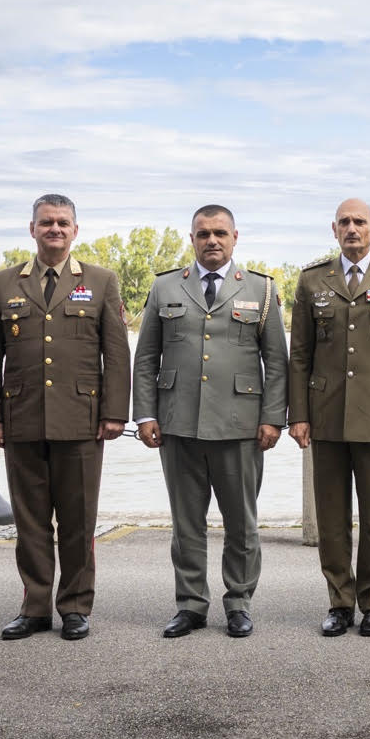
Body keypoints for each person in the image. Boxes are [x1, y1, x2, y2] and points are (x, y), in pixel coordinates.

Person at [0, 194, 130, 642]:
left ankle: (76, 607)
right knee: (31, 522)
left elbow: (116, 353)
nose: (55, 229)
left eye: (63, 222)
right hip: (21, 416)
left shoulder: (101, 281)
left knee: (79, 521)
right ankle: (35, 607)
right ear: (32, 229)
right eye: (46, 222)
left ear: (75, 231)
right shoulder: (3, 282)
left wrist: (114, 412)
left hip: (81, 419)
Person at [133, 205, 287, 638]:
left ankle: (238, 603)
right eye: (203, 234)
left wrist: (274, 418)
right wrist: (145, 413)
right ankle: (190, 605)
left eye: (220, 232)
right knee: (186, 524)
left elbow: (277, 361)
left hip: (241, 425)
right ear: (192, 239)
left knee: (242, 524)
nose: (212, 240)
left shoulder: (261, 289)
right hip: (178, 423)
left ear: (235, 237)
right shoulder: (166, 286)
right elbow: (146, 358)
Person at [286, 199, 370, 637]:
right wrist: (298, 414)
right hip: (325, 414)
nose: (351, 228)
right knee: (331, 517)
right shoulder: (313, 280)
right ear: (334, 229)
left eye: (359, 221)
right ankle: (340, 602)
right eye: (344, 222)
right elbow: (300, 354)